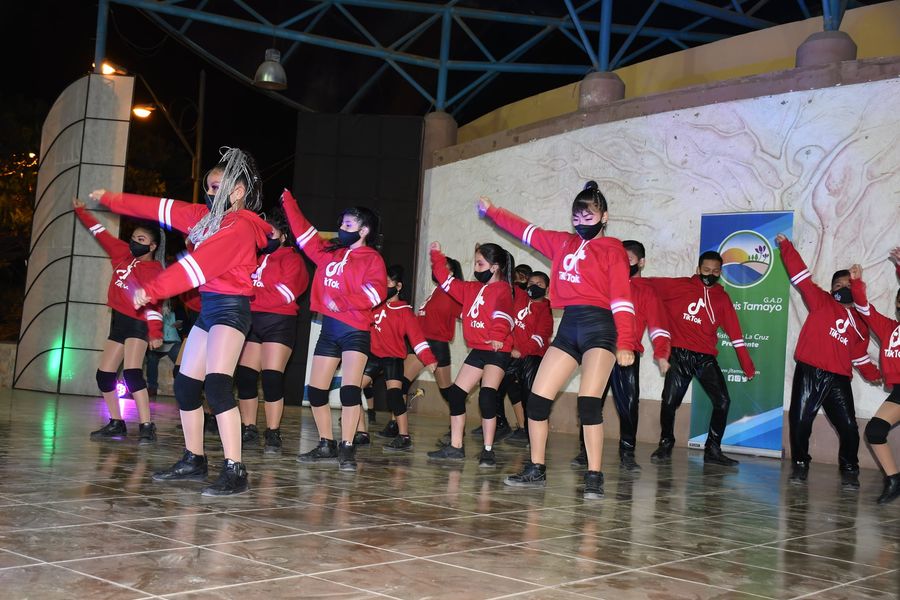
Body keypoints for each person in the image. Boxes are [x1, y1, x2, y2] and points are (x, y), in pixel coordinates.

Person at [91, 147, 271, 496]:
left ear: (237, 191)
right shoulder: (204, 218)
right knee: (186, 385)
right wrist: (113, 200)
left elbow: (197, 266)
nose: (210, 193)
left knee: (217, 386)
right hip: (209, 309)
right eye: (208, 187)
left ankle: (235, 470)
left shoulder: (240, 226)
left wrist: (153, 289)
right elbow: (160, 207)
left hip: (232, 309)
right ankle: (194, 459)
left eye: (217, 187)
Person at [479, 180, 638, 499]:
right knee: (537, 400)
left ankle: (594, 475)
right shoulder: (562, 243)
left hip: (600, 328)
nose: (581, 223)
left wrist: (625, 342)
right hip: (569, 327)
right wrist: (493, 212)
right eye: (576, 217)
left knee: (589, 403)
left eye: (588, 217)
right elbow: (526, 231)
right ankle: (536, 468)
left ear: (605, 217)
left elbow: (622, 298)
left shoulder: (613, 250)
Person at [280, 189, 387, 472]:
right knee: (317, 391)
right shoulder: (328, 252)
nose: (341, 228)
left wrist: (343, 301)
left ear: (364, 231)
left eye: (348, 225)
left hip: (355, 331)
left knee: (350, 391)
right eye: (342, 224)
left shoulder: (372, 259)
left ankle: (347, 447)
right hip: (329, 330)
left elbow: (376, 292)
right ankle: (326, 443)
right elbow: (304, 234)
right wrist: (289, 202)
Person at [776, 234, 881, 488]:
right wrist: (787, 247)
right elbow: (800, 276)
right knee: (800, 421)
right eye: (838, 285)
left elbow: (859, 356)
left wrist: (876, 375)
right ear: (832, 289)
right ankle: (800, 465)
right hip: (809, 372)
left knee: (849, 426)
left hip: (838, 379)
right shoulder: (820, 300)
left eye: (848, 285)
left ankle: (849, 468)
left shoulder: (862, 324)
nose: (843, 288)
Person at [645, 250, 754, 467]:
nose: (710, 275)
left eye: (715, 271)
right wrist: (622, 278)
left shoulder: (722, 298)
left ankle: (713, 449)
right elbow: (646, 285)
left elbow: (735, 333)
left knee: (723, 401)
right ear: (698, 269)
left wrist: (747, 365)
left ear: (720, 273)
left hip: (705, 358)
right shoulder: (679, 286)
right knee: (669, 401)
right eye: (706, 270)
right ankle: (666, 443)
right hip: (679, 354)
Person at [571, 240, 671, 471]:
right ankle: (585, 452)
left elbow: (658, 325)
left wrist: (662, 353)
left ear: (641, 262)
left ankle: (627, 453)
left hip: (627, 355)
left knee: (628, 404)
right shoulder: (604, 284)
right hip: (599, 350)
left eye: (630, 260)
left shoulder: (646, 291)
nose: (624, 264)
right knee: (590, 401)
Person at [74, 200, 164, 444]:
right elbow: (100, 233)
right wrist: (82, 212)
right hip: (120, 322)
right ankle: (117, 422)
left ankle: (147, 425)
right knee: (104, 376)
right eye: (133, 237)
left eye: (141, 240)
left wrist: (155, 332)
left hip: (138, 323)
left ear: (153, 246)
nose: (135, 242)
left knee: (133, 373)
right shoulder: (122, 253)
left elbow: (155, 305)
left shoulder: (154, 270)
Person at [427, 241, 515, 468]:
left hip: (497, 350)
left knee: (487, 396)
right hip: (478, 349)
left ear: (495, 267)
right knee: (456, 395)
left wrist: (497, 334)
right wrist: (436, 255)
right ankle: (456, 447)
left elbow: (504, 314)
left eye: (480, 264)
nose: (475, 268)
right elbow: (446, 281)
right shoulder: (470, 288)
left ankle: (488, 450)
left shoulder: (503, 289)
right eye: (475, 263)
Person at [235, 207, 309, 455]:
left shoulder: (292, 260)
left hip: (279, 323)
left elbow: (285, 294)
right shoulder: (252, 257)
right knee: (245, 377)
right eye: (261, 233)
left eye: (271, 233)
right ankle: (249, 428)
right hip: (250, 321)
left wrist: (249, 294)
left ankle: (273, 432)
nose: (265, 238)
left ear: (283, 236)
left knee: (271, 378)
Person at [356, 265, 437, 451]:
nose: (383, 286)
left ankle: (404, 436)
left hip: (393, 358)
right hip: (373, 356)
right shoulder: (373, 305)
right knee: (352, 390)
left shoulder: (405, 312)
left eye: (388, 283)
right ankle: (362, 433)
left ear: (398, 286)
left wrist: (429, 359)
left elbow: (417, 340)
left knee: (394, 396)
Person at [382, 256, 463, 439]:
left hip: (437, 345)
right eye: (436, 266)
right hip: (421, 344)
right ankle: (396, 424)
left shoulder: (453, 293)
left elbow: (466, 313)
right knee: (400, 384)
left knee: (447, 391)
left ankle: (458, 425)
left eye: (443, 267)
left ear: (451, 273)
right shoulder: (436, 292)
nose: (437, 269)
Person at [850, 251, 900, 504]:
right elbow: (863, 309)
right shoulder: (889, 328)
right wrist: (856, 283)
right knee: (875, 430)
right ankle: (894, 480)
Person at [473, 263, 536, 441]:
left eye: (524, 277)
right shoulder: (508, 292)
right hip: (506, 348)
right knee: (497, 388)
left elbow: (530, 328)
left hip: (520, 352)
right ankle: (501, 423)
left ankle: (519, 427)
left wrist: (521, 349)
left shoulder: (528, 299)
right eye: (518, 276)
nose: (520, 280)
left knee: (512, 390)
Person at [499, 270, 553, 446]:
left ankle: (533, 438)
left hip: (532, 357)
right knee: (493, 387)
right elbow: (506, 280)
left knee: (529, 398)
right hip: (512, 354)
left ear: (547, 289)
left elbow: (540, 338)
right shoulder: (520, 297)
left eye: (539, 285)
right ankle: (500, 425)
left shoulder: (546, 310)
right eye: (531, 284)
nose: (534, 287)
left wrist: (520, 351)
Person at [145, 299, 184, 399]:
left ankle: (182, 388)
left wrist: (180, 326)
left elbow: (186, 325)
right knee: (152, 357)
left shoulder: (178, 310)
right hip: (159, 343)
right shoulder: (154, 309)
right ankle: (152, 387)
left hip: (174, 342)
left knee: (179, 355)